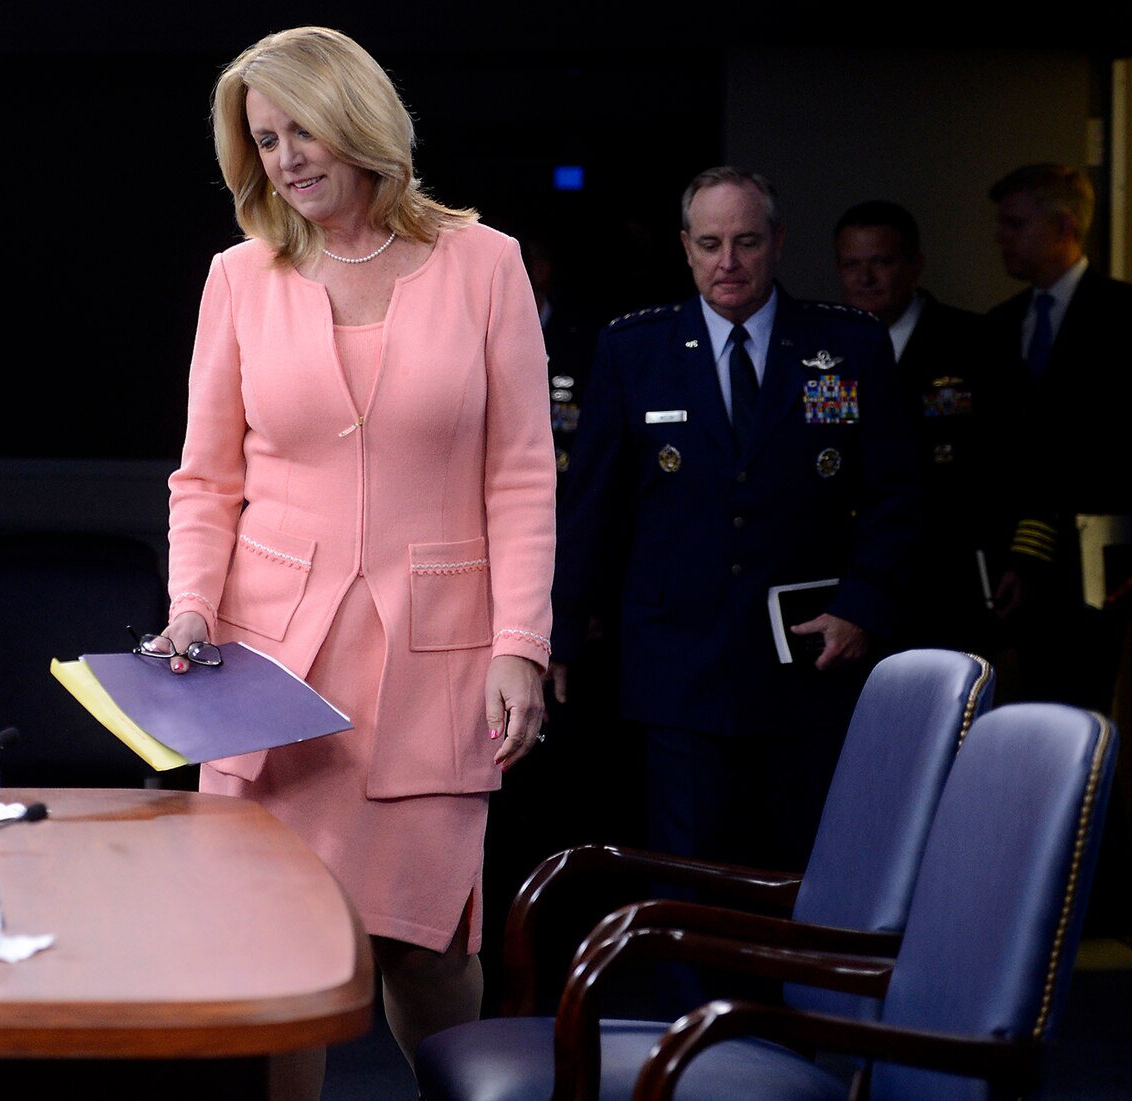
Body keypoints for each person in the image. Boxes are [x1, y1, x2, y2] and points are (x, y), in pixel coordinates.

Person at [156, 27, 555, 1089]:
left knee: (425, 952)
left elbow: (519, 475)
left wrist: (518, 644)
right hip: (267, 676)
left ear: (359, 120)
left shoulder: (486, 264)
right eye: (264, 140)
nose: (284, 159)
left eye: (299, 130)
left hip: (434, 666)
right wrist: (189, 608)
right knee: (270, 958)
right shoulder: (238, 278)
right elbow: (205, 480)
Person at [550, 169, 918, 926]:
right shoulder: (635, 348)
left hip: (809, 658)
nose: (729, 261)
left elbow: (898, 492)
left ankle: (805, 1031)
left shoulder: (847, 343)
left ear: (777, 242)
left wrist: (862, 606)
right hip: (677, 658)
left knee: (807, 867)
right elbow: (588, 508)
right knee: (687, 875)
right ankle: (703, 1040)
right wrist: (556, 633)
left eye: (746, 241)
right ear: (685, 248)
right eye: (711, 243)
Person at [833, 200, 1024, 656]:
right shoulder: (828, 352)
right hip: (858, 582)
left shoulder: (977, 342)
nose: (865, 278)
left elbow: (1023, 455)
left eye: (882, 261)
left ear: (915, 264)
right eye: (851, 264)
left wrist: (1020, 558)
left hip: (950, 576)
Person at [984, 163, 1132, 713]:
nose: (1001, 237)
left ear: (1065, 226)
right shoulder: (999, 325)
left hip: (1099, 563)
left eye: (1015, 224)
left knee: (1090, 721)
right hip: (1014, 563)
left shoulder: (1124, 315)